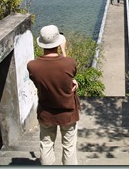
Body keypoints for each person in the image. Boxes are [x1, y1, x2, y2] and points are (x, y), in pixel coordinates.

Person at [27, 25, 80, 165]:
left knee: (46, 146)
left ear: (41, 43)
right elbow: (68, 70)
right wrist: (63, 49)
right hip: (68, 112)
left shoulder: (32, 66)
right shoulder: (69, 63)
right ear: (58, 42)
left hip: (46, 112)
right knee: (69, 147)